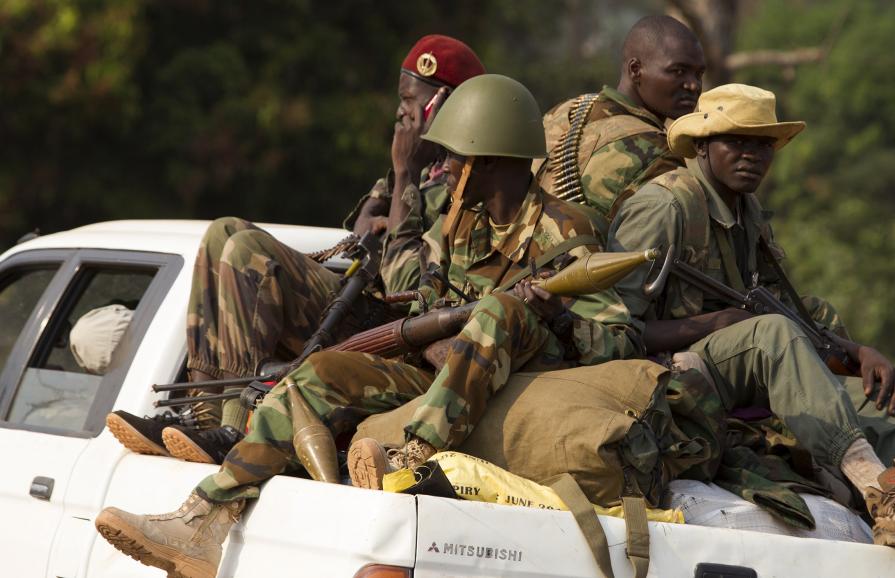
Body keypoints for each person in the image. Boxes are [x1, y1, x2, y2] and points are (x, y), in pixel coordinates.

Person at [94, 73, 641, 578]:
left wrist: (553, 318)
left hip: (514, 383)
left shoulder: (565, 232)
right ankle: (204, 519)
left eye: (454, 157)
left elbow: (616, 338)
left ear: (489, 160)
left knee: (504, 310)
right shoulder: (461, 219)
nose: (444, 168)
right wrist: (429, 335)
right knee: (318, 376)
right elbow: (431, 294)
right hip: (440, 375)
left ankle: (412, 458)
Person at [607, 83, 895, 559]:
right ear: (703, 146)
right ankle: (880, 494)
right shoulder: (665, 207)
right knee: (772, 333)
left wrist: (858, 353)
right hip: (670, 374)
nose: (752, 156)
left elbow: (783, 306)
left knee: (881, 396)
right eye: (737, 142)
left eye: (763, 144)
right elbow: (610, 331)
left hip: (747, 365)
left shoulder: (749, 214)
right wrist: (714, 323)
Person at [105, 34, 485, 465]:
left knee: (249, 251)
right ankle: (204, 414)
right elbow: (362, 234)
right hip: (358, 309)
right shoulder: (422, 168)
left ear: (444, 104)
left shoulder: (459, 178)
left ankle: (230, 429)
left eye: (412, 100)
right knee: (222, 231)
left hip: (397, 334)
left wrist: (405, 175)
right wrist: (397, 197)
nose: (401, 112)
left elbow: (405, 285)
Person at [534, 15, 705, 222]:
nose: (694, 85)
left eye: (699, 74)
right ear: (636, 70)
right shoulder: (657, 152)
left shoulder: (564, 111)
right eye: (678, 71)